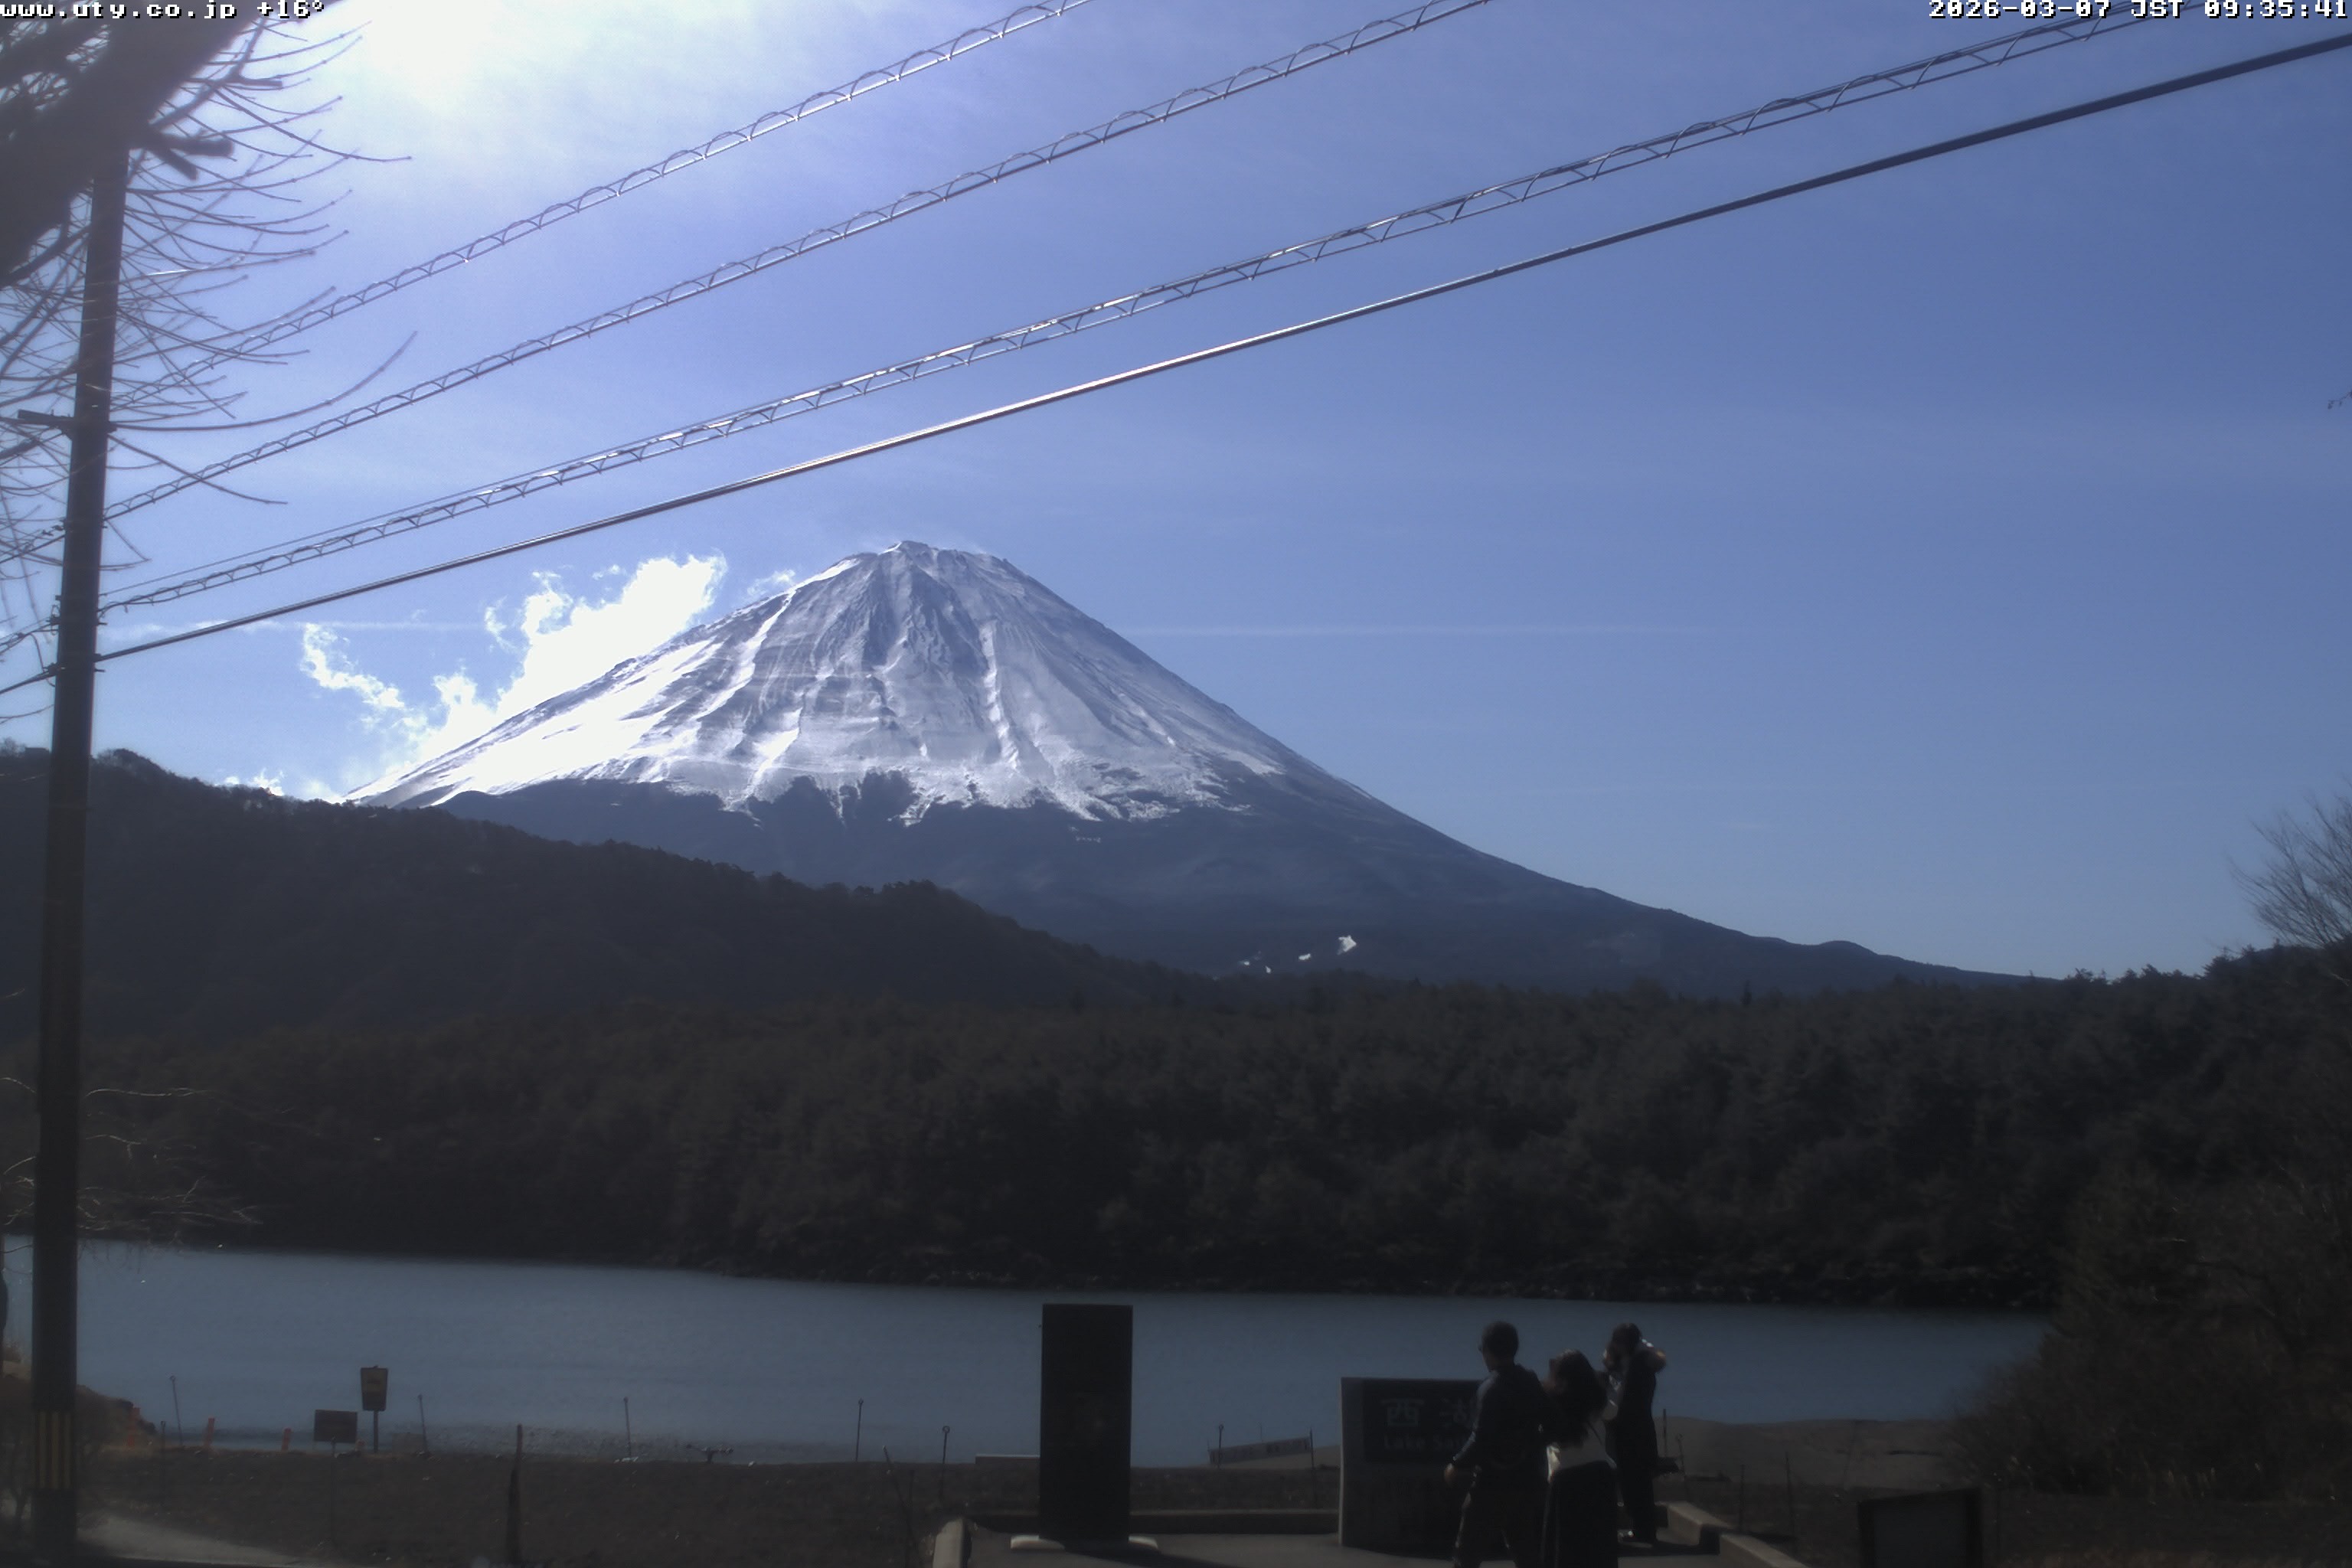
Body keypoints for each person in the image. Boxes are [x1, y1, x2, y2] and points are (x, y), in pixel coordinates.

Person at [1444, 1321, 1555, 1568]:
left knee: (1467, 1553)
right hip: (1525, 1481)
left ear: (1487, 1351)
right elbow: (1550, 1422)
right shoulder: (1530, 1381)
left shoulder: (1491, 1388)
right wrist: (1531, 1446)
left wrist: (1456, 1464)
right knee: (1525, 1550)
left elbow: (1480, 1439)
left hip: (1490, 1484)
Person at [1539, 1351, 1617, 1568]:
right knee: (1599, 1548)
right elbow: (1613, 1413)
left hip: (1566, 1479)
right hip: (1600, 1474)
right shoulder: (1597, 1398)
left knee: (1565, 1549)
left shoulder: (1551, 1399)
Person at [1602, 1322, 1668, 1547]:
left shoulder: (1639, 1365)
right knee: (1633, 1483)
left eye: (1618, 1342)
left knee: (1636, 1483)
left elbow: (1625, 1398)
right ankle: (1642, 1528)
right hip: (1631, 1429)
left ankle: (1644, 1530)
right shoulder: (1627, 1363)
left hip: (1632, 1430)